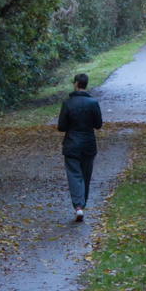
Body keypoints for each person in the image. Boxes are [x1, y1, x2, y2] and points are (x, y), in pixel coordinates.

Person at [57, 73, 103, 222]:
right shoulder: (93, 103)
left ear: (76, 84)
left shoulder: (68, 104)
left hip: (72, 145)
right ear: (85, 84)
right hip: (89, 144)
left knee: (74, 174)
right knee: (86, 176)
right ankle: (82, 204)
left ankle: (78, 207)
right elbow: (98, 124)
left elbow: (61, 127)